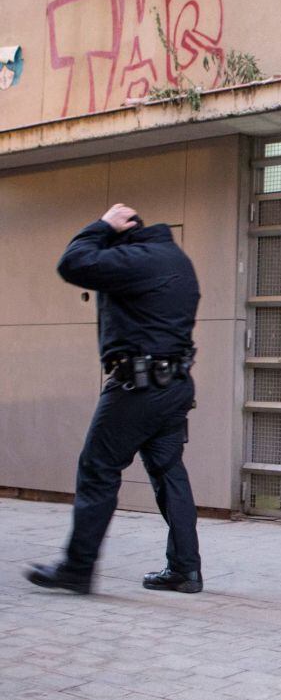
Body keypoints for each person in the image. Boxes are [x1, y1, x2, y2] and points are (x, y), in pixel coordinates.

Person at [26, 204, 202, 595]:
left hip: (137, 388)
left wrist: (100, 226)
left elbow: (73, 263)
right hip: (174, 386)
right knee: (168, 472)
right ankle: (185, 569)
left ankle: (77, 568)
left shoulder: (138, 258)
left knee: (98, 468)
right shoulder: (177, 259)